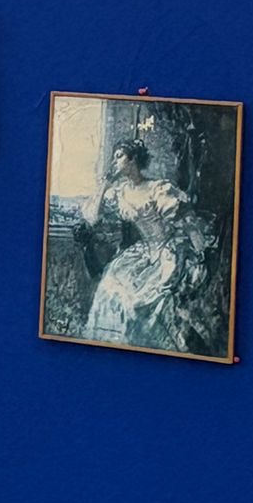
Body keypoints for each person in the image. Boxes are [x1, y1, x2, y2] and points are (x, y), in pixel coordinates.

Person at [81, 139, 214, 353]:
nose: (114, 162)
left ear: (133, 159)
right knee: (109, 289)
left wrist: (201, 249)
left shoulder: (157, 188)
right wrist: (104, 185)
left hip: (169, 251)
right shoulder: (119, 192)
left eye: (119, 156)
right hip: (143, 253)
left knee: (140, 302)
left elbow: (185, 221)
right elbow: (92, 218)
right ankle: (111, 345)